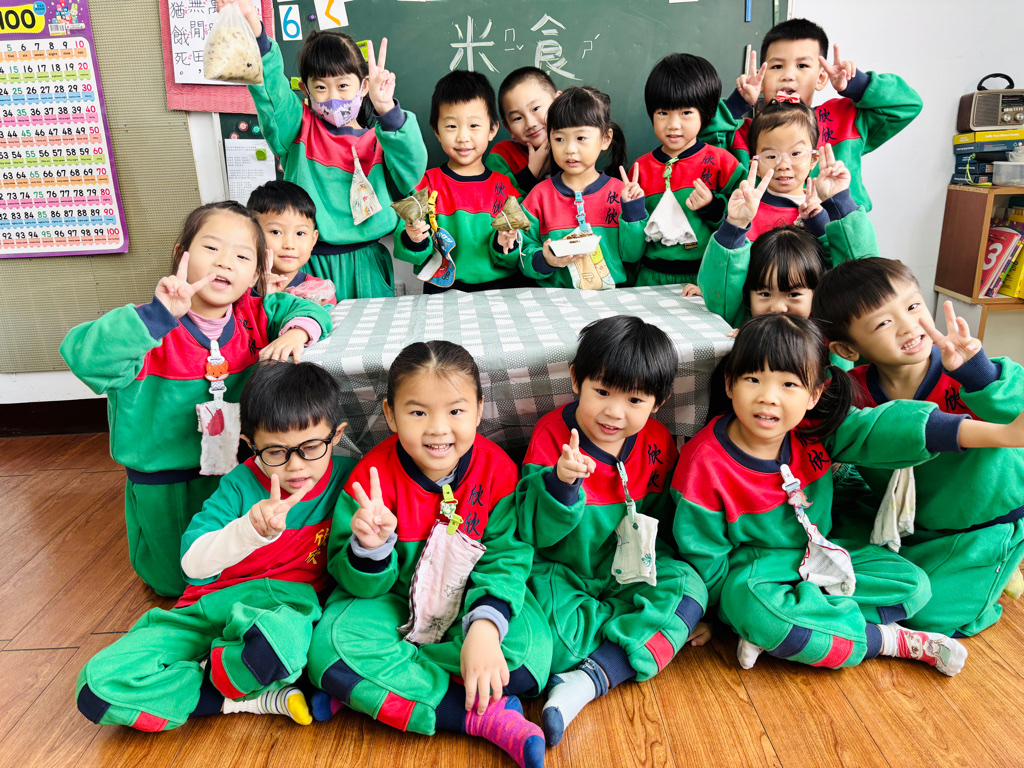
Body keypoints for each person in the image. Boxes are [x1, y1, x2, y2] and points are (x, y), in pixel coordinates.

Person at [672, 313, 1024, 676]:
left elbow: (885, 428)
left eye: (789, 384)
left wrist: (1001, 434)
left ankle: (795, 623)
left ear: (813, 395)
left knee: (914, 586)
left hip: (822, 556)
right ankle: (887, 640)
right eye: (753, 380)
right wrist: (712, 613)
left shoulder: (814, 430)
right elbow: (703, 551)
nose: (768, 398)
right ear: (730, 384)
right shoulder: (704, 461)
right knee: (751, 606)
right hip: (757, 572)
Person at [60, 202, 332, 596]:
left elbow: (306, 309)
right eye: (211, 248)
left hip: (238, 473)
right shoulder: (148, 326)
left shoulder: (254, 314)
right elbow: (83, 356)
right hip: (168, 482)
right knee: (175, 581)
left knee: (236, 566)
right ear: (180, 254)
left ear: (257, 272)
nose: (225, 262)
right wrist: (157, 316)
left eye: (242, 256)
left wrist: (296, 332)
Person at [306, 341, 550, 768]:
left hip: (469, 599)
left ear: (479, 409)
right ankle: (478, 715)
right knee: (330, 651)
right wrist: (370, 548)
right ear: (390, 415)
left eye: (455, 411)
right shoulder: (371, 476)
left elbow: (507, 558)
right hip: (389, 602)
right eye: (418, 413)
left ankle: (378, 686)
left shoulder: (497, 470)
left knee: (531, 658)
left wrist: (484, 630)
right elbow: (353, 579)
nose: (438, 429)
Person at [75, 361, 356, 731]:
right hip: (209, 608)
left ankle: (220, 675)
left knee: (278, 645)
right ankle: (243, 694)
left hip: (283, 611)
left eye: (311, 447)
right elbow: (193, 566)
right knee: (97, 689)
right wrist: (249, 530)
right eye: (275, 452)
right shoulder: (239, 485)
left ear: (336, 437)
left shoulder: (348, 479)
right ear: (250, 445)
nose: (296, 466)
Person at [514, 316, 708, 747]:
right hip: (562, 573)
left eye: (634, 399)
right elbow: (533, 533)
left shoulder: (657, 441)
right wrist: (561, 485)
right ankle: (628, 643)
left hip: (629, 572)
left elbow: (664, 520)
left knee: (692, 591)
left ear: (658, 402)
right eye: (602, 392)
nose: (614, 412)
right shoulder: (552, 436)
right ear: (576, 380)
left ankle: (586, 680)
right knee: (551, 644)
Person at [814, 258, 1024, 637]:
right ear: (848, 348)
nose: (909, 325)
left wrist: (980, 374)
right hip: (911, 521)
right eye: (883, 323)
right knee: (836, 563)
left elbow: (1016, 413)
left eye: (913, 306)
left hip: (984, 524)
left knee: (931, 616)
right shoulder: (852, 392)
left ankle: (999, 566)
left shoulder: (968, 370)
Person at [221, 0, 427, 301]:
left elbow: (413, 169)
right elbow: (272, 90)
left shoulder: (382, 140)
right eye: (321, 88)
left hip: (367, 264)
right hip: (306, 265)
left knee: (371, 330)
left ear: (363, 86)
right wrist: (253, 24)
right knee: (308, 327)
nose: (333, 97)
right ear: (305, 90)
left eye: (343, 86)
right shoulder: (297, 129)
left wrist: (387, 110)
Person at [700, 17, 921, 210]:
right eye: (777, 67)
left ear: (821, 78)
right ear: (762, 77)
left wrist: (857, 85)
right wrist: (738, 103)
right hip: (767, 239)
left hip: (837, 236)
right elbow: (698, 141)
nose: (788, 75)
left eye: (802, 66)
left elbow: (906, 105)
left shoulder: (845, 119)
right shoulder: (742, 133)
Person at [697, 142, 876, 335]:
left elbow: (863, 278)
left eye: (793, 294)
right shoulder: (744, 324)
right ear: (748, 295)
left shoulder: (829, 329)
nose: (778, 308)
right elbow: (721, 289)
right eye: (765, 294)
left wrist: (839, 201)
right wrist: (735, 225)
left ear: (817, 292)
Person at [392, 70, 527, 293]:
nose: (463, 137)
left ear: (492, 129)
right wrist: (413, 238)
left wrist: (505, 241)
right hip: (441, 291)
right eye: (451, 126)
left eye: (474, 126)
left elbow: (519, 251)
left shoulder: (506, 188)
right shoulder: (426, 185)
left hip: (501, 290)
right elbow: (406, 244)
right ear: (436, 131)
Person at [631, 53, 744, 290]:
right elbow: (633, 240)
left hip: (703, 279)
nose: (673, 124)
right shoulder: (640, 169)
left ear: (705, 113)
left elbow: (744, 220)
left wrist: (712, 206)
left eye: (686, 113)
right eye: (663, 113)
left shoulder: (722, 162)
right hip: (649, 277)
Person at [518, 87, 648, 290]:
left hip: (613, 300)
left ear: (605, 139)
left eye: (580, 138)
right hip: (554, 299)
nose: (570, 149)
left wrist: (633, 210)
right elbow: (521, 251)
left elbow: (632, 255)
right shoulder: (539, 196)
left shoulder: (620, 192)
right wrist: (545, 260)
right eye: (559, 139)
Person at [247, 180, 336, 306]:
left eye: (300, 233)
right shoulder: (240, 287)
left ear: (313, 240)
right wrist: (259, 296)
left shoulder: (320, 292)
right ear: (252, 235)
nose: (289, 245)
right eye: (276, 232)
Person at [487, 67, 560, 196]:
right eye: (517, 118)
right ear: (508, 127)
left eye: (536, 108)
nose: (530, 124)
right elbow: (501, 204)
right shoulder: (501, 157)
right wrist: (531, 172)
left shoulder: (576, 147)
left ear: (559, 102)